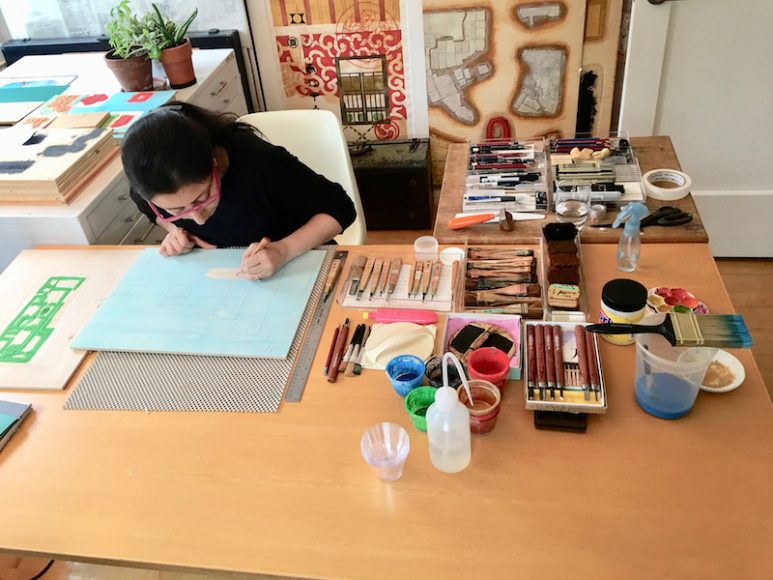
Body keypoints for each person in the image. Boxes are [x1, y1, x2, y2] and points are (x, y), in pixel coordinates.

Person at [121, 102, 357, 279]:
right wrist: (176, 232)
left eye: (203, 198)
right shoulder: (147, 189)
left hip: (299, 265)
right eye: (176, 209)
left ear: (213, 162)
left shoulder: (261, 163)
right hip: (224, 277)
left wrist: (283, 250)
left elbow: (341, 209)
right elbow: (155, 215)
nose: (198, 219)